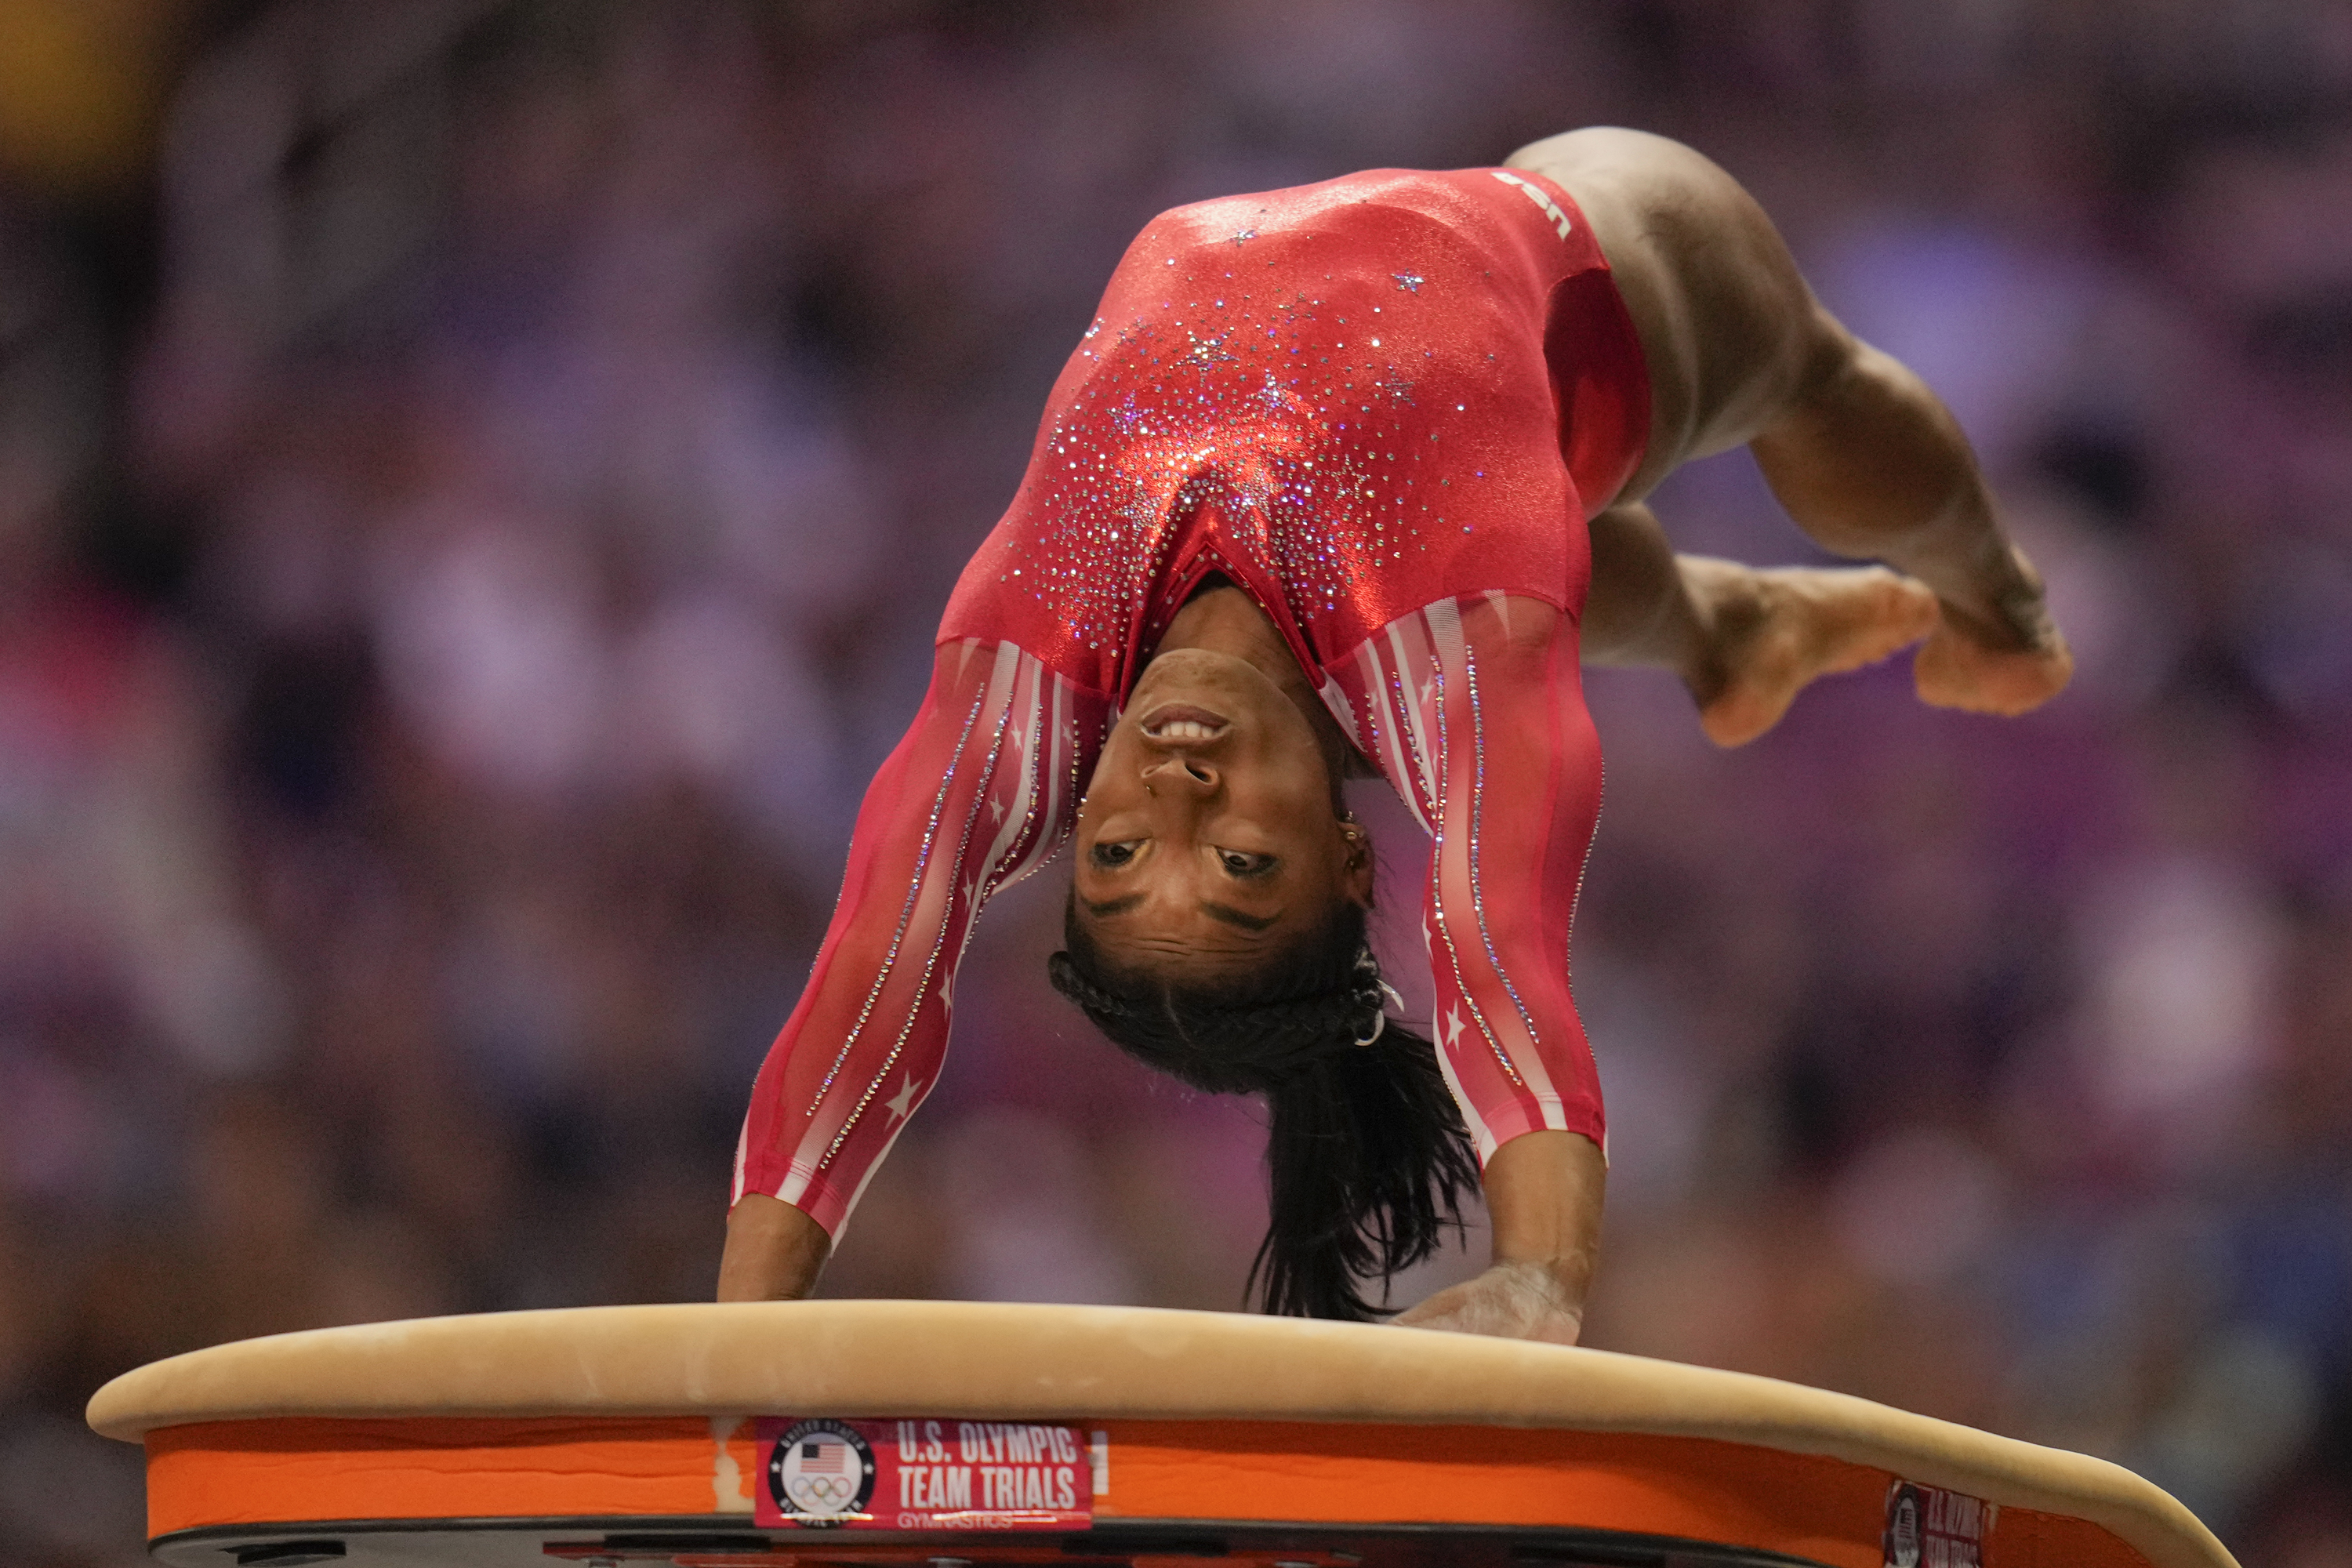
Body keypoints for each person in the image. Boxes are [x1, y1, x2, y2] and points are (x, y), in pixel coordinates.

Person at [715, 128, 2070, 1340]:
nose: (1178, 791)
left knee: (1501, 541)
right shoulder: (1449, 653)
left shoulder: (1026, 671)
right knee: (1794, 368)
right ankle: (1987, 589)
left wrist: (741, 1319)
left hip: (1460, 500)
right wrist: (1543, 1271)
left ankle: (1738, 629)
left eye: (1122, 851)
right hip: (1580, 287)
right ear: (1355, 861)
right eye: (1242, 863)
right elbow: (1500, 941)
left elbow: (873, 974)